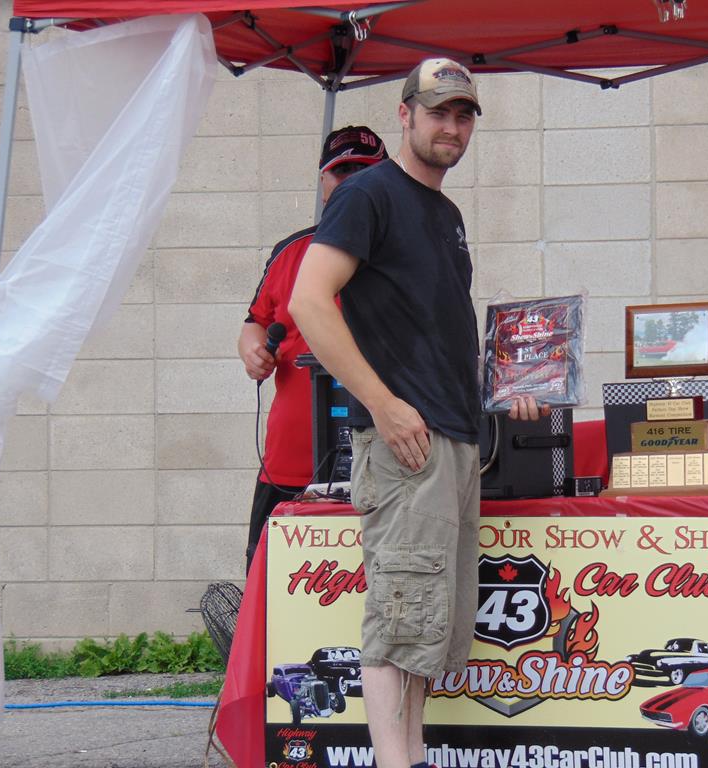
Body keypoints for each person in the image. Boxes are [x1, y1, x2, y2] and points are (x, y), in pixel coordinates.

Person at [289, 58, 545, 768]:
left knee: (429, 627)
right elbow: (308, 301)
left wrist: (510, 387)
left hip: (452, 442)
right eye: (438, 112)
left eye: (463, 115)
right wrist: (384, 405)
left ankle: (412, 756)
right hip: (407, 447)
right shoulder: (368, 194)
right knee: (400, 623)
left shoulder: (445, 214)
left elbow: (435, 334)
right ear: (404, 115)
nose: (451, 128)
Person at [238, 125, 387, 572]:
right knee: (270, 585)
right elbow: (255, 322)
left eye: (364, 172)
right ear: (323, 181)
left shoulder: (406, 253)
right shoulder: (291, 251)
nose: (352, 183)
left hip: (385, 459)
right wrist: (252, 352)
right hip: (290, 460)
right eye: (341, 172)